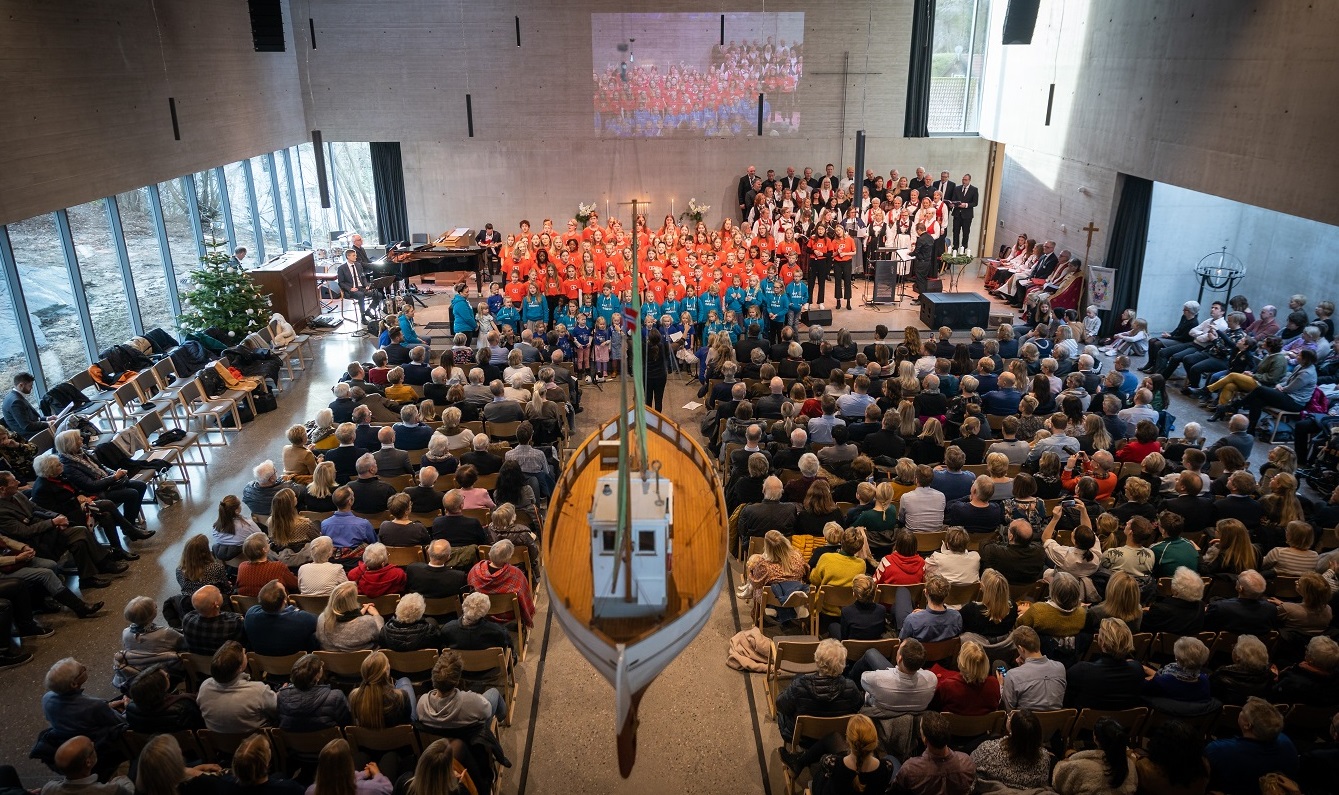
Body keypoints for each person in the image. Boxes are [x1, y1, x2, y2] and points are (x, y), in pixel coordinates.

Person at [775, 638, 864, 745]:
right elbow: (859, 708)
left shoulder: (799, 686)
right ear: (843, 664)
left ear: (817, 660)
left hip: (804, 738)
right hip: (838, 736)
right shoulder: (851, 687)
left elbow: (781, 705)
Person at [1204, 697, 1299, 795]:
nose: (1240, 712)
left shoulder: (1217, 750)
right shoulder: (1287, 743)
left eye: (1242, 710)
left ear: (1247, 725)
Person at [196, 641, 277, 733]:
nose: (244, 652)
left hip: (219, 744)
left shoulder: (204, 687)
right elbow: (277, 711)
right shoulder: (259, 690)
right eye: (243, 654)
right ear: (240, 667)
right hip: (256, 742)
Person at [891, 711, 976, 795]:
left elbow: (896, 790)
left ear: (924, 740)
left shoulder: (909, 769)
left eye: (920, 729)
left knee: (891, 759)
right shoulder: (967, 762)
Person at [112, 596, 185, 692]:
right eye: (155, 606)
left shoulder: (126, 633)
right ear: (153, 614)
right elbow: (184, 642)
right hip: (166, 672)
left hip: (137, 673)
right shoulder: (165, 633)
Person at [1051, 717, 1138, 795]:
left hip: (1072, 765)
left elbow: (1058, 784)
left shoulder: (1079, 767)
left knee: (1054, 758)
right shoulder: (1130, 765)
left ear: (1095, 738)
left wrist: (1061, 763)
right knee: (1070, 752)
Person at [970, 709, 1052, 791]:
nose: (1009, 716)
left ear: (1012, 731)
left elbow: (970, 766)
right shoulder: (1044, 758)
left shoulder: (988, 750)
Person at [467, 539, 535, 628]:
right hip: (507, 614)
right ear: (508, 557)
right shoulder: (516, 574)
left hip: (482, 611)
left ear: (490, 553)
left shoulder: (474, 570)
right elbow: (524, 599)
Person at [276, 653, 350, 733]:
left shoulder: (281, 696)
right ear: (317, 676)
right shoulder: (336, 697)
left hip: (295, 745)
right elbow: (346, 725)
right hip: (329, 743)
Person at [132, 734, 223, 795]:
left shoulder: (140, 788)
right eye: (179, 754)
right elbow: (223, 786)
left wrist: (193, 770)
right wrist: (199, 775)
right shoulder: (200, 785)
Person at [1000, 626, 1066, 711]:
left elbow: (1008, 710)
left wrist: (1001, 687)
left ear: (1021, 649)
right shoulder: (1060, 668)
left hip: (1025, 723)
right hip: (1055, 723)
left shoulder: (1013, 675)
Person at [245, 580, 318, 656]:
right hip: (296, 663)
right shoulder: (302, 619)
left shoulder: (250, 615)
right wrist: (291, 609)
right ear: (284, 602)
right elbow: (319, 621)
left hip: (265, 664)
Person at [930, 640, 1000, 716]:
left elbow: (934, 709)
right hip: (984, 727)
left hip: (953, 727)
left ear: (961, 662)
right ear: (986, 663)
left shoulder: (947, 686)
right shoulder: (994, 684)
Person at [349, 651, 413, 729]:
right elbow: (408, 722)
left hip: (369, 739)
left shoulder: (354, 696)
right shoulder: (401, 697)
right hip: (397, 738)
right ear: (386, 672)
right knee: (405, 681)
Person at [306, 738, 393, 795]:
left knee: (362, 756)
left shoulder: (310, 791)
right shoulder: (369, 789)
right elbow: (388, 789)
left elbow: (338, 779)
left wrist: (363, 774)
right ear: (349, 764)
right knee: (390, 757)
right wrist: (377, 774)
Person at [226, 732, 304, 795]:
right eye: (268, 748)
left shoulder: (224, 783)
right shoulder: (290, 788)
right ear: (265, 763)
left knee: (279, 775)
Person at [316, 581, 384, 652]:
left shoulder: (322, 618)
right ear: (352, 602)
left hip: (332, 661)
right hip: (361, 660)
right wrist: (376, 615)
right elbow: (381, 635)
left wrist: (359, 613)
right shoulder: (367, 622)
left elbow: (346, 622)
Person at [181, 585, 245, 657]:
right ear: (216, 604)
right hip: (227, 664)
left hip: (198, 665)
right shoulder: (234, 624)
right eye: (220, 593)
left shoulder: (187, 620)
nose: (221, 595)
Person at [405, 539, 469, 598]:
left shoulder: (413, 569)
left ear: (428, 552)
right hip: (448, 609)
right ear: (448, 557)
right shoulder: (458, 577)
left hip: (421, 609)